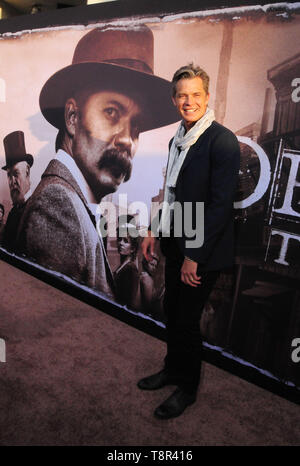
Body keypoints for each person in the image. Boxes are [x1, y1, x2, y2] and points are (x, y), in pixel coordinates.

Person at [16, 26, 178, 297]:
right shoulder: (58, 205)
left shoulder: (75, 203)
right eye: (112, 112)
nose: (128, 140)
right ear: (72, 117)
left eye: (136, 126)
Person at [138, 64, 240, 419]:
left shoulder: (221, 140)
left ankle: (188, 387)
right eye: (182, 95)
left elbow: (219, 207)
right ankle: (172, 368)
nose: (188, 101)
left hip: (203, 250)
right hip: (177, 240)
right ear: (174, 99)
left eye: (196, 94)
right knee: (172, 312)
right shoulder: (177, 138)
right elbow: (170, 192)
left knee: (186, 318)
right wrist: (153, 230)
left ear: (207, 97)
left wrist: (194, 256)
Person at [1, 131, 33, 251]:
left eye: (16, 173)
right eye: (9, 175)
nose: (12, 181)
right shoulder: (12, 213)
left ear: (27, 172)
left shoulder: (36, 209)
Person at [114, 215, 140, 310]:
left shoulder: (131, 269)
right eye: (119, 239)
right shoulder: (122, 266)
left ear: (132, 248)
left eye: (125, 241)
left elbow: (130, 304)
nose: (121, 243)